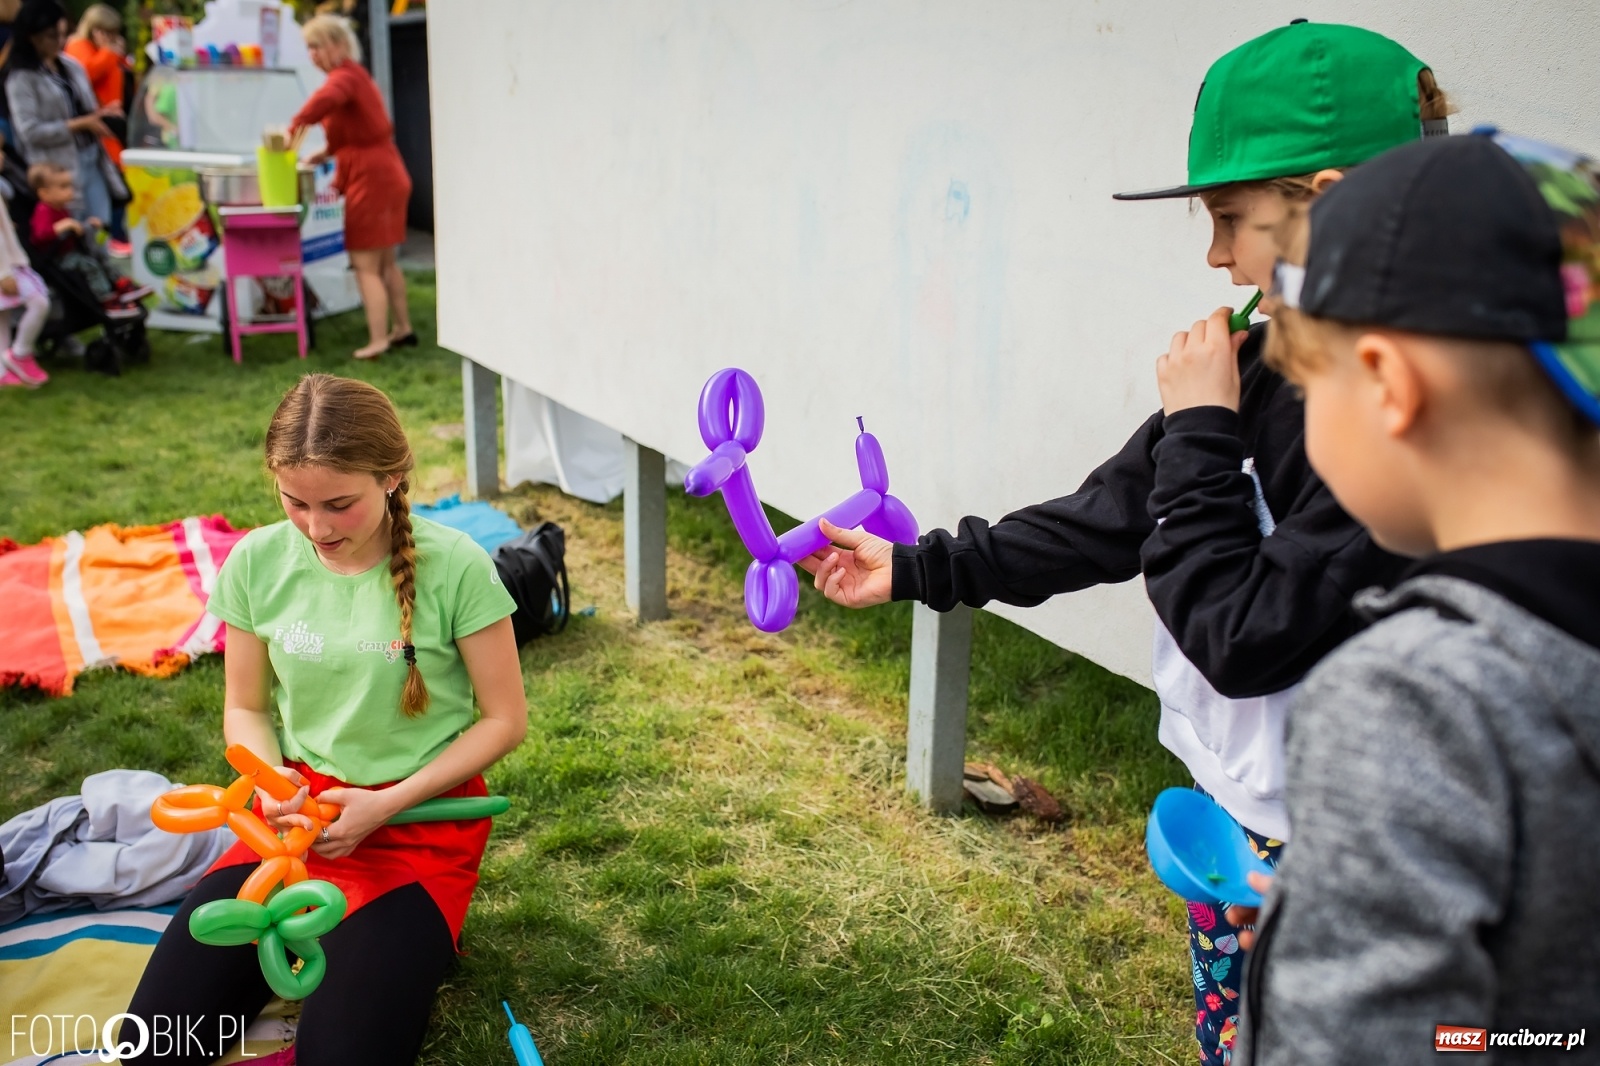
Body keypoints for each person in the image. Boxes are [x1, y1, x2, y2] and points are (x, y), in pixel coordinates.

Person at [799, 22, 1448, 1064]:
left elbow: (1237, 632)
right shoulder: (1264, 358)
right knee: (1236, 1040)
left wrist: (1200, 429)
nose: (1213, 253)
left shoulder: (1405, 418)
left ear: (1328, 203)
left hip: (1347, 845)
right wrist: (919, 567)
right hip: (1237, 809)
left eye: (1231, 218)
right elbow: (1110, 515)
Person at [1227, 131, 1600, 1064]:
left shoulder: (1412, 696)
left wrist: (1316, 982)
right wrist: (1337, 921)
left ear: (1389, 386)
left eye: (1312, 388)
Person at [121, 374, 529, 1066]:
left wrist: (385, 804)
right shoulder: (256, 560)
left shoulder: (456, 567)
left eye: (340, 504)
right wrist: (272, 779)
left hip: (415, 829)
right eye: (295, 503)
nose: (317, 527)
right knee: (151, 1049)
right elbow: (246, 707)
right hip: (291, 823)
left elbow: (504, 720)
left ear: (394, 476)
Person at [289, 15, 415, 360]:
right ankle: (402, 328)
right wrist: (326, 152)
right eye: (309, 48)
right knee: (386, 261)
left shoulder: (343, 77)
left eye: (317, 46)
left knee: (365, 265)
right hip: (388, 171)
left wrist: (296, 125)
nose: (312, 54)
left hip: (370, 179)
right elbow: (359, 127)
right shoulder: (357, 77)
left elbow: (327, 99)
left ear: (338, 45)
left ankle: (378, 340)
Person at [3, 0, 124, 227]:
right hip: (57, 169)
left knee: (101, 224)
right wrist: (78, 125)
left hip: (91, 156)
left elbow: (82, 107)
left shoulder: (71, 66)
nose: (60, 41)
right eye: (51, 36)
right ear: (32, 36)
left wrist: (101, 114)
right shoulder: (21, 78)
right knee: (73, 230)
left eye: (62, 34)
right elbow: (29, 132)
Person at [27, 161, 145, 309]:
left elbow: (74, 228)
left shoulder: (62, 208)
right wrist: (64, 225)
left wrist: (87, 224)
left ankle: (122, 284)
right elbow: (39, 235)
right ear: (44, 193)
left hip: (72, 252)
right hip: (58, 258)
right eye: (63, 187)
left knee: (100, 256)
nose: (70, 191)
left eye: (70, 185)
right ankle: (106, 299)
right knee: (89, 265)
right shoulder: (43, 210)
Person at [62, 2, 128, 246]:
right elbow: (88, 73)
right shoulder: (79, 46)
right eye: (107, 32)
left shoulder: (100, 48)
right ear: (95, 29)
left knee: (116, 182)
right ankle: (112, 239)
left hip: (110, 124)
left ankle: (113, 238)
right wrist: (110, 52)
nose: (111, 38)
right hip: (96, 130)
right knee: (114, 184)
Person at [0, 163, 51, 388]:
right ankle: (20, 353)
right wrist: (4, 272)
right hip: (6, 266)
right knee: (38, 300)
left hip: (8, 262)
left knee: (3, 318)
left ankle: (3, 371)